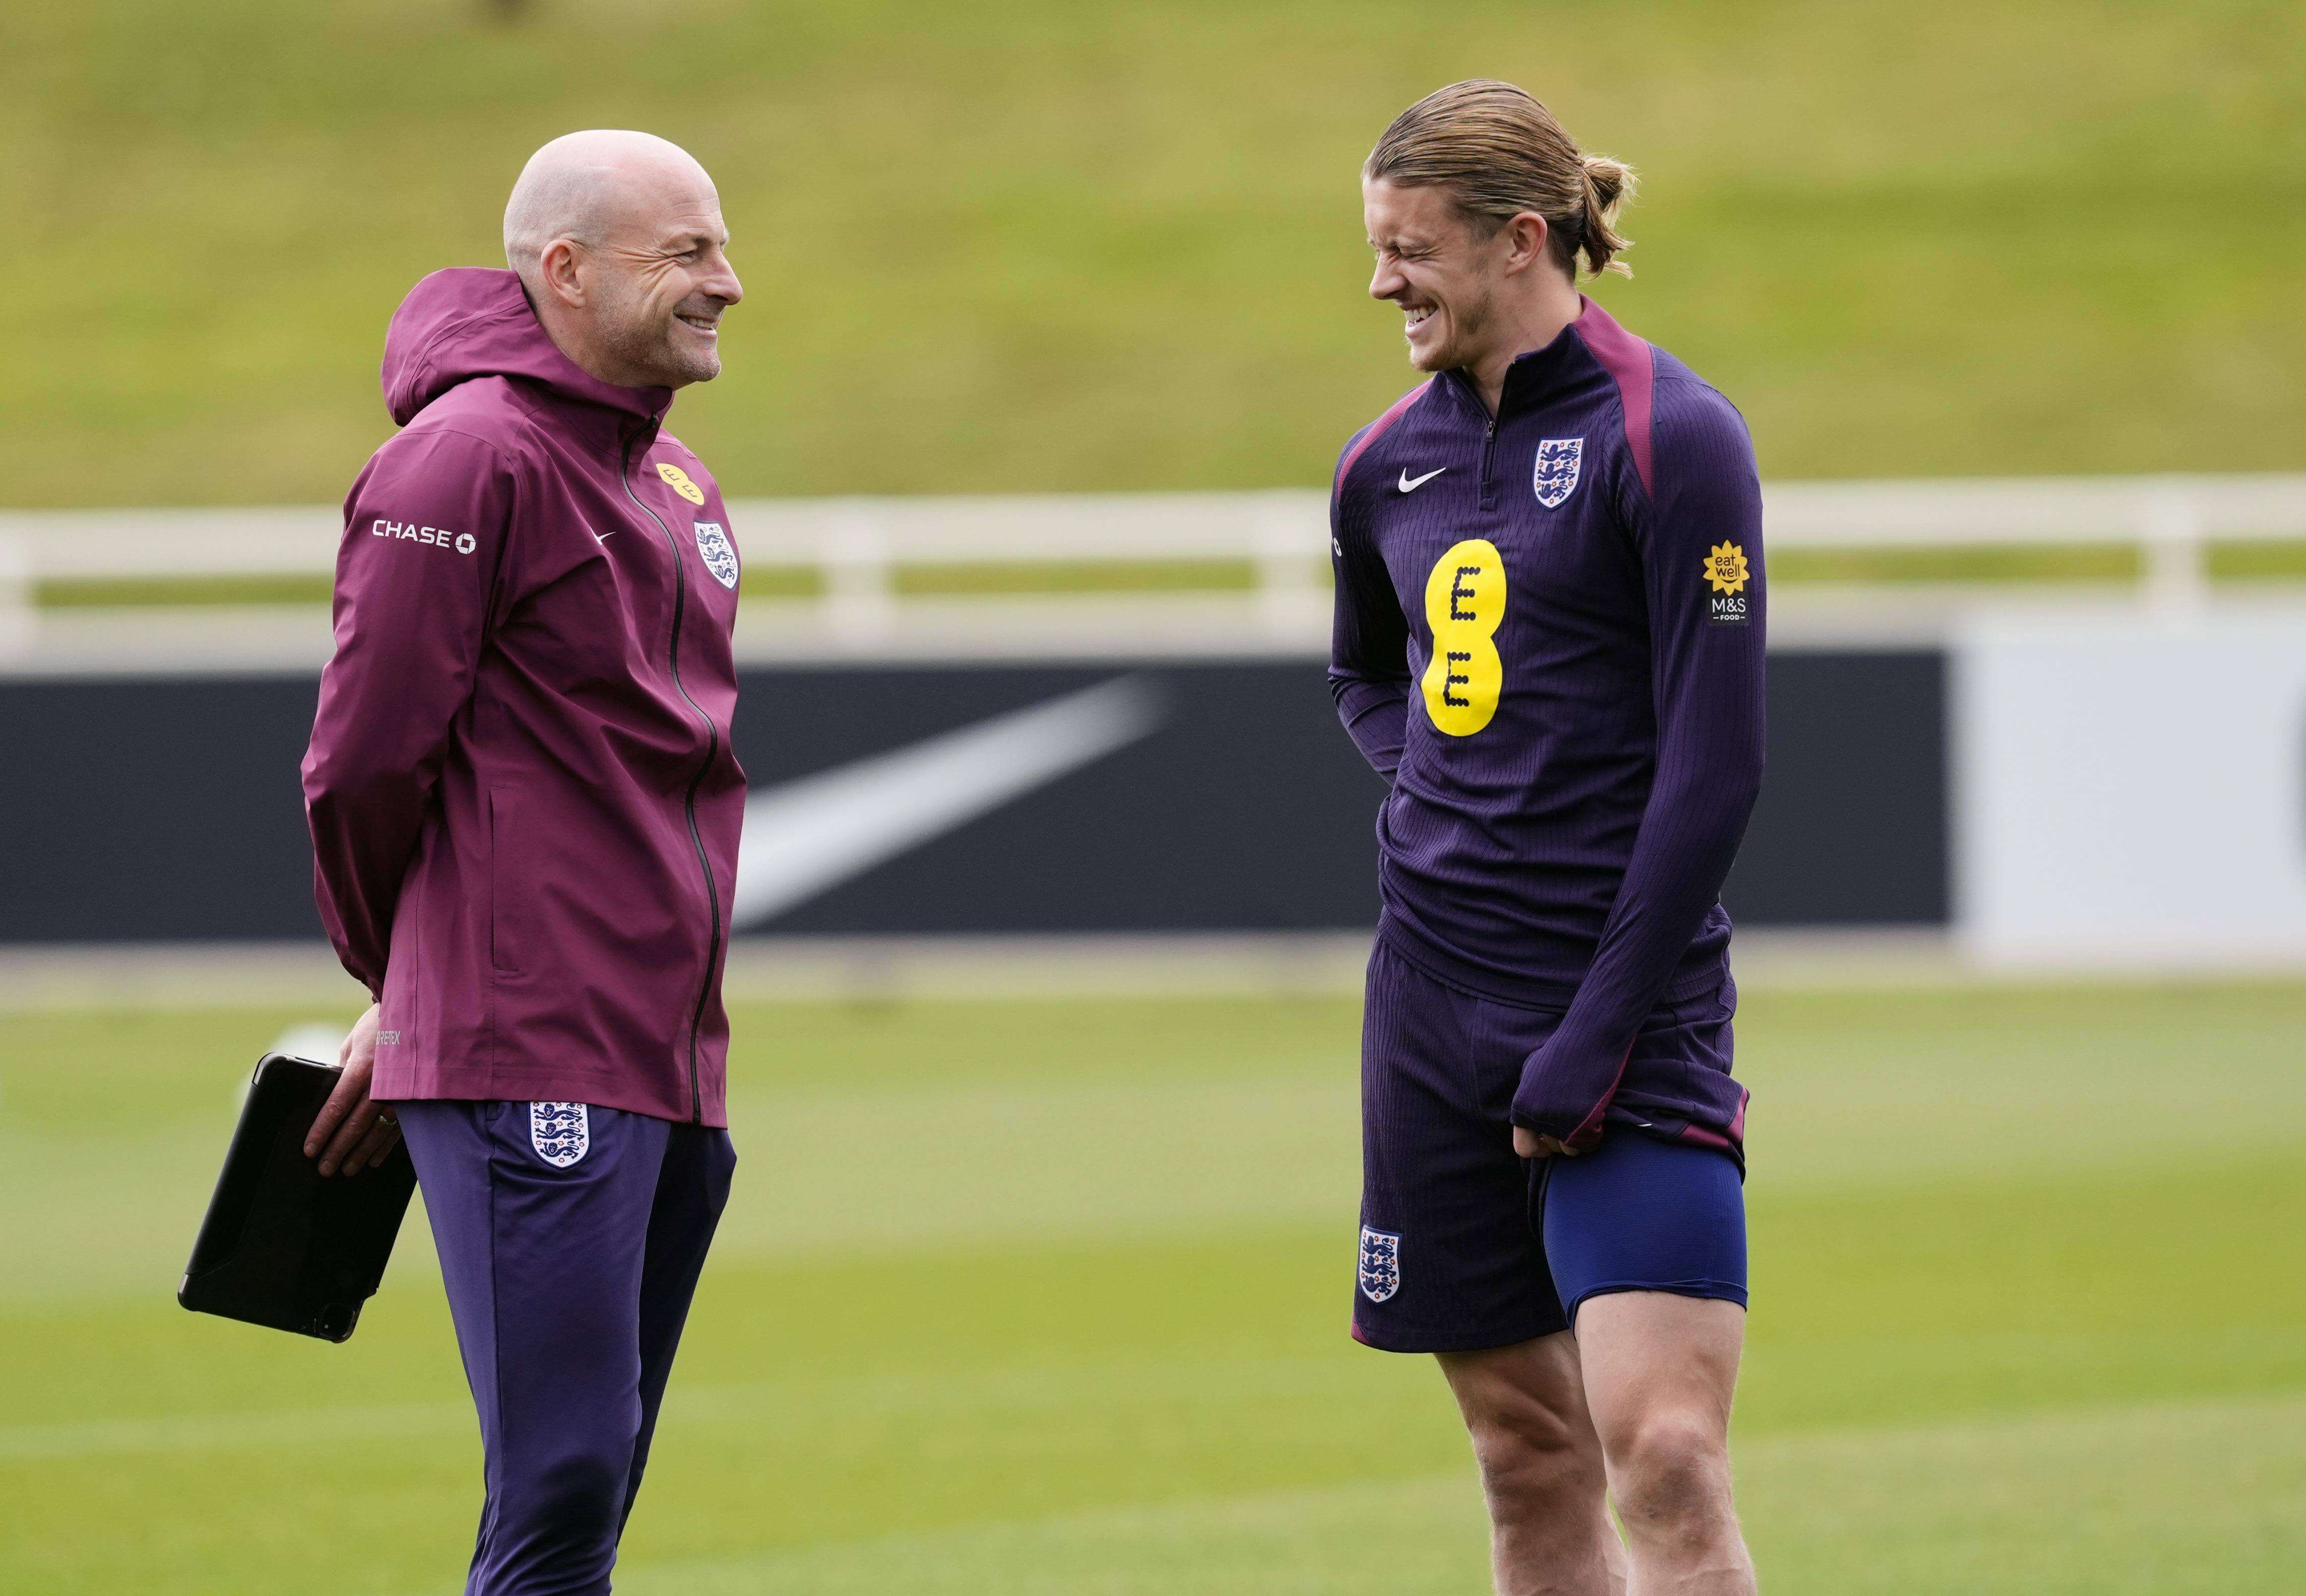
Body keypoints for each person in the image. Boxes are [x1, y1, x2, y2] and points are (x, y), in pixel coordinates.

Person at [1328, 82, 1766, 1594]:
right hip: (1432, 1012)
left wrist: (1596, 1034)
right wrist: (1431, 786)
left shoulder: (1674, 435)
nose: (1381, 281)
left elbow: (1718, 767)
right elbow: (1361, 672)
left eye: (1409, 248)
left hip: (1629, 1014)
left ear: (1520, 240)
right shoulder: (1381, 461)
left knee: (1667, 1453)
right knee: (1526, 1455)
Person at [298, 129, 747, 1595]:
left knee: (591, 1476)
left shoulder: (675, 479)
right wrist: (406, 982)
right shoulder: (467, 455)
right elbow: (363, 760)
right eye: (687, 252)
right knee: (560, 1475)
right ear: (567, 269)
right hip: (526, 1040)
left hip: (669, 1049)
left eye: (721, 246)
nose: (729, 283)